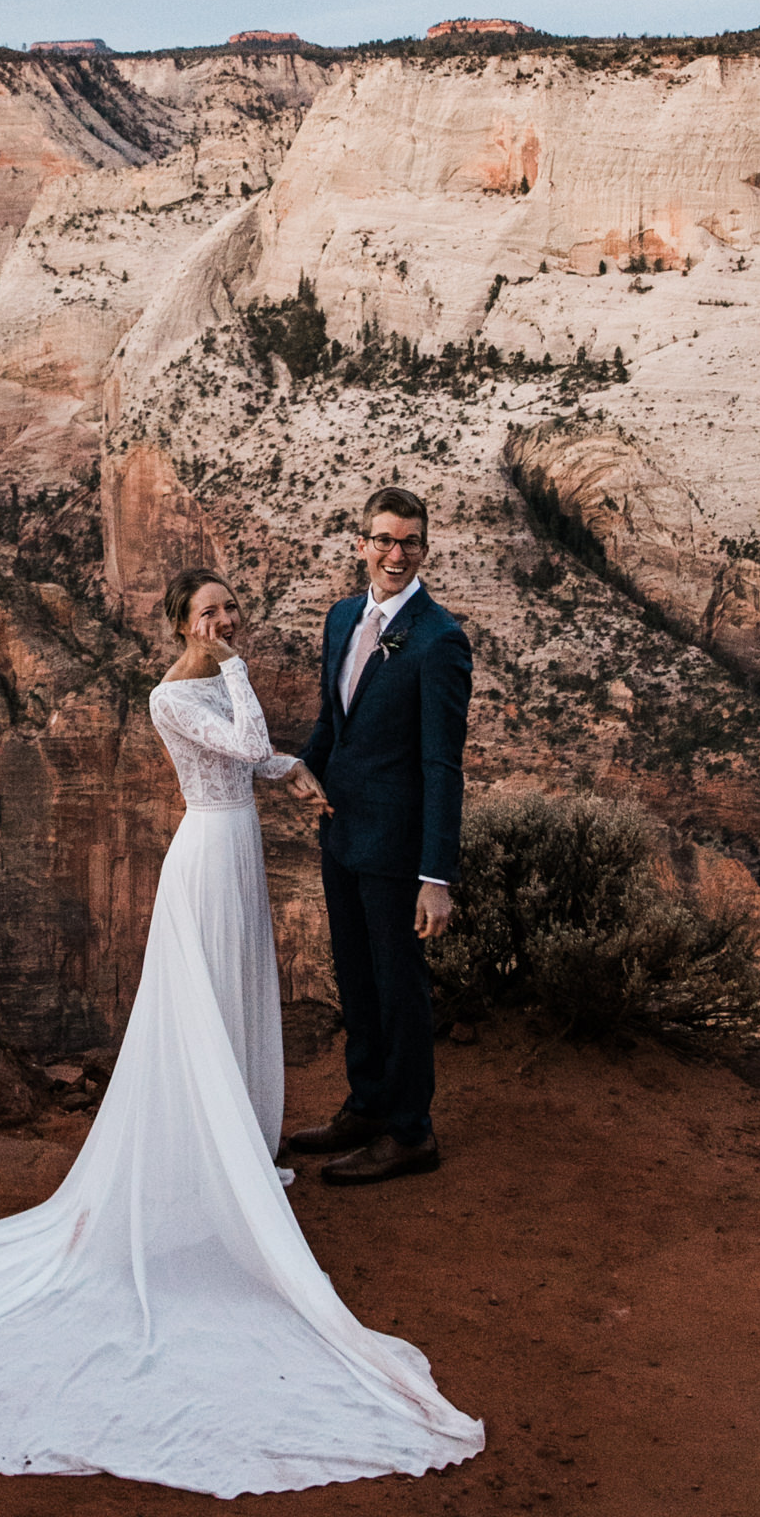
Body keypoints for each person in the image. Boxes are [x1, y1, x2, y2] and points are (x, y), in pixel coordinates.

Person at [0, 565, 484, 1497]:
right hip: (208, 855)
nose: (223, 620)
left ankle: (241, 1149)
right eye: (206, 611)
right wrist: (244, 676)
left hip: (239, 851)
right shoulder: (172, 690)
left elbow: (255, 760)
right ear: (179, 622)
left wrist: (295, 772)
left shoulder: (209, 680)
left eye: (229, 608)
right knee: (199, 1009)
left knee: (233, 998)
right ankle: (207, 1162)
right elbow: (240, 736)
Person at [284, 486, 472, 1186]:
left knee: (399, 990)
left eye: (410, 543)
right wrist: (303, 764)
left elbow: (440, 765)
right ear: (359, 543)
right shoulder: (340, 619)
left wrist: (435, 874)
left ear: (424, 549)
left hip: (396, 850)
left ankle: (409, 1132)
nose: (396, 555)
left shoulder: (439, 640)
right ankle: (364, 1106)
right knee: (355, 981)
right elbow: (334, 721)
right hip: (340, 834)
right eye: (384, 540)